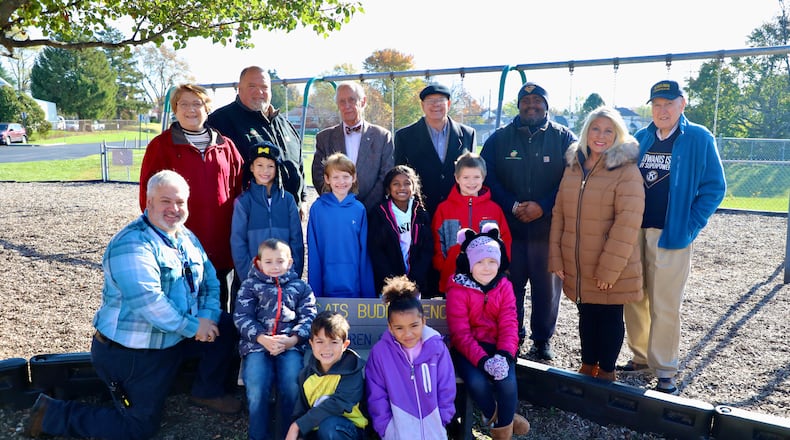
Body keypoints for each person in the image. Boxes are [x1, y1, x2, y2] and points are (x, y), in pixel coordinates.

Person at [24, 170, 241, 439]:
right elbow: (150, 303)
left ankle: (206, 391)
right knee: (138, 428)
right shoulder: (132, 244)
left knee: (226, 326)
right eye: (165, 201)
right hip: (134, 352)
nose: (174, 209)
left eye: (180, 202)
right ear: (148, 203)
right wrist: (196, 327)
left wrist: (208, 318)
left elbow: (209, 280)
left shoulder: (184, 236)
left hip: (174, 337)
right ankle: (54, 415)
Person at [620, 80, 726, 394]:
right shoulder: (641, 138)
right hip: (636, 231)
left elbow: (714, 188)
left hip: (671, 234)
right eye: (656, 104)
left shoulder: (697, 137)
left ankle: (665, 367)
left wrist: (690, 224)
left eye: (668, 104)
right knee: (634, 298)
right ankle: (641, 358)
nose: (662, 110)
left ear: (682, 104)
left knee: (665, 304)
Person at [547, 106, 645, 382]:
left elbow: (627, 223)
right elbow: (559, 213)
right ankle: (588, 366)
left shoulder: (626, 171)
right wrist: (556, 257)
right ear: (586, 131)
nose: (600, 136)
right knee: (586, 315)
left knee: (610, 317)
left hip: (610, 264)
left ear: (617, 135)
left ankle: (607, 372)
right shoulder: (574, 166)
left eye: (608, 131)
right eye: (595, 129)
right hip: (578, 260)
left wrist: (609, 269)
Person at [480, 82, 576, 360]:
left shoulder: (564, 138)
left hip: (547, 230)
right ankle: (513, 335)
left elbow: (571, 180)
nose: (532, 105)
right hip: (510, 231)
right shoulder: (499, 139)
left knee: (546, 290)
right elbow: (488, 177)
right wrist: (512, 204)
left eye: (538, 101)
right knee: (511, 286)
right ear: (519, 105)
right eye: (526, 101)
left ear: (547, 106)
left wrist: (543, 206)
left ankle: (542, 340)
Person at [139, 84, 244, 313]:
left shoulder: (226, 146)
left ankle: (219, 348)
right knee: (183, 306)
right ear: (175, 109)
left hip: (221, 246)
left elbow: (239, 193)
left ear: (207, 109)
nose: (190, 110)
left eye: (197, 104)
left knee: (220, 307)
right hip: (179, 247)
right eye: (183, 104)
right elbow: (147, 198)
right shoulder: (161, 146)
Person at [445, 224, 530, 439]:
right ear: (469, 264)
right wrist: (484, 361)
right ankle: (500, 418)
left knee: (507, 382)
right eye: (480, 262)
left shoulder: (504, 285)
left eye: (492, 261)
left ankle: (502, 431)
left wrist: (503, 355)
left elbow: (510, 324)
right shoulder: (457, 289)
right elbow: (461, 333)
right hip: (467, 349)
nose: (486, 267)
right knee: (476, 382)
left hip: (498, 346)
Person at [234, 238, 317, 440]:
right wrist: (262, 338)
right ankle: (258, 434)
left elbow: (309, 316)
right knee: (256, 384)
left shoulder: (300, 287)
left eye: (280, 261)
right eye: (269, 262)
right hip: (257, 345)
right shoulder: (250, 286)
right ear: (259, 263)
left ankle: (286, 434)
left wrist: (293, 340)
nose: (274, 267)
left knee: (291, 383)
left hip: (289, 345)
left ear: (289, 262)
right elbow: (242, 317)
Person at [365, 275, 456, 439]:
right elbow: (376, 395)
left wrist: (443, 418)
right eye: (399, 328)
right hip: (398, 433)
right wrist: (386, 428)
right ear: (390, 328)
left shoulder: (437, 348)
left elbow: (446, 386)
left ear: (423, 321)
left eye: (414, 325)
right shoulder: (380, 353)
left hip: (434, 431)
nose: (407, 334)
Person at [207, 66, 305, 207]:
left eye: (264, 87)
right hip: (249, 218)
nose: (259, 92)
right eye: (252, 86)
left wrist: (303, 199)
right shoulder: (220, 122)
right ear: (239, 88)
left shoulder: (286, 126)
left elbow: (299, 166)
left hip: (289, 217)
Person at [432, 151, 512, 293]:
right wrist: (442, 265)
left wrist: (502, 266)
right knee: (457, 314)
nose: (471, 182)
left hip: (487, 280)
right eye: (466, 177)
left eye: (476, 177)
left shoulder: (494, 209)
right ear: (457, 178)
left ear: (483, 177)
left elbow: (505, 239)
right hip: (453, 277)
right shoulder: (444, 209)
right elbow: (437, 239)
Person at [394, 83, 476, 216]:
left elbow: (473, 172)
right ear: (422, 105)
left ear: (448, 104)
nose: (435, 105)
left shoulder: (467, 134)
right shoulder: (404, 136)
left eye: (440, 101)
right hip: (420, 211)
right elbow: (399, 175)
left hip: (458, 210)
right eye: (430, 101)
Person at [285, 311, 368, 440]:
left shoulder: (352, 370)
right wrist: (299, 433)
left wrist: (297, 426)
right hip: (315, 431)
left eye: (334, 342)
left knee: (329, 426)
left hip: (346, 429)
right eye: (320, 342)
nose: (326, 348)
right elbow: (301, 410)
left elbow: (338, 405)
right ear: (311, 344)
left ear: (344, 345)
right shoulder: (305, 376)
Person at [312, 81, 394, 211]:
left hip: (373, 215)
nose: (347, 106)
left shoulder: (382, 137)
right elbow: (318, 175)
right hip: (336, 213)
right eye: (342, 101)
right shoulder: (324, 138)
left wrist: (361, 208)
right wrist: (339, 204)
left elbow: (385, 176)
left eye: (352, 100)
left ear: (363, 102)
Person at [231, 140, 304, 280]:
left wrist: (293, 274)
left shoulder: (288, 200)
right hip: (255, 280)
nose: (265, 171)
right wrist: (249, 278)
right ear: (251, 167)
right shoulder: (243, 202)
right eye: (259, 165)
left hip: (285, 277)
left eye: (270, 166)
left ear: (277, 168)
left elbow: (297, 240)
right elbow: (238, 243)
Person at [307, 152, 375, 297]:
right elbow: (313, 250)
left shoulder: (359, 209)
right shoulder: (317, 209)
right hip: (326, 283)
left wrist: (368, 294)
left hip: (353, 283)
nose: (341, 182)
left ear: (354, 178)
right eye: (336, 177)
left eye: (345, 176)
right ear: (327, 179)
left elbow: (364, 254)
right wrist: (315, 292)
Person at [367, 165, 434, 295]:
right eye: (396, 184)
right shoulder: (379, 214)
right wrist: (392, 280)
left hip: (416, 284)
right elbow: (376, 251)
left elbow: (427, 249)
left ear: (414, 188)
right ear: (388, 189)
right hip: (388, 284)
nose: (402, 188)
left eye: (407, 183)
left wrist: (415, 280)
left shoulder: (421, 214)